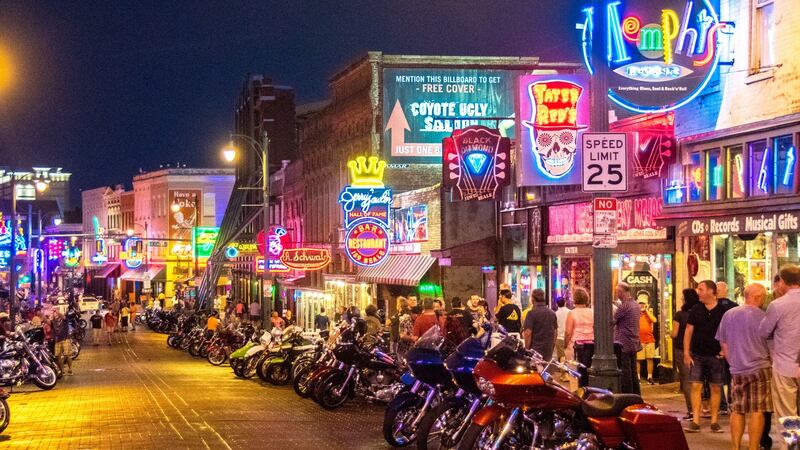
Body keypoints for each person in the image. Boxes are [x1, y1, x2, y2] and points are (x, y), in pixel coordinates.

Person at [716, 283, 772, 450]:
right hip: (760, 367)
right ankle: (753, 446)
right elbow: (771, 344)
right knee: (757, 409)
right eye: (763, 297)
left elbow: (723, 342)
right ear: (758, 297)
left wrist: (732, 360)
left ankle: (735, 446)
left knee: (738, 409)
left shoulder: (729, 315)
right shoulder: (764, 317)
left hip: (737, 368)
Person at [683, 280, 726, 433]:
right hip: (697, 355)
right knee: (695, 385)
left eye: (701, 289)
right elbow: (688, 331)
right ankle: (696, 420)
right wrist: (686, 353)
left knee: (716, 387)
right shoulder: (696, 309)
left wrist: (724, 350)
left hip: (716, 355)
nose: (698, 292)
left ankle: (714, 421)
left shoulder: (722, 310)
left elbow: (728, 331)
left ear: (711, 291)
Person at [759, 265, 800, 422]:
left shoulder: (778, 305)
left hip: (785, 365)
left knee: (788, 414)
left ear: (782, 282)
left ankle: (792, 446)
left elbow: (763, 331)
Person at [672, 288, 701, 421]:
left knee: (686, 379)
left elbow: (675, 333)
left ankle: (691, 410)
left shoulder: (679, 314)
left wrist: (670, 334)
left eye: (682, 297)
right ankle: (700, 409)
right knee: (697, 379)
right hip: (697, 348)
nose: (681, 299)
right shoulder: (698, 312)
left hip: (681, 349)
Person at [613, 282, 641, 395]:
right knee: (633, 371)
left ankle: (628, 395)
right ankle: (636, 394)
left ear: (621, 292)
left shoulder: (624, 306)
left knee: (625, 372)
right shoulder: (635, 304)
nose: (616, 294)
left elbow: (612, 321)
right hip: (634, 342)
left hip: (623, 342)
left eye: (617, 292)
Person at [565, 287, 593, 387]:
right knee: (587, 370)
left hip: (575, 345)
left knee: (574, 372)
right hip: (590, 345)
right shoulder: (592, 312)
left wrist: (565, 344)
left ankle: (576, 392)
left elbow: (568, 332)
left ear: (574, 299)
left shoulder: (572, 313)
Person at [522, 288, 557, 361]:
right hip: (548, 350)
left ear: (533, 299)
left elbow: (528, 333)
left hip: (535, 351)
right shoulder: (552, 313)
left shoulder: (531, 313)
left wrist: (526, 350)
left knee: (535, 371)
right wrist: (552, 347)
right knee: (545, 371)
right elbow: (555, 332)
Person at [637, 297, 658, 385]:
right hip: (639, 340)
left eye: (643, 303)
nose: (641, 305)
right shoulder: (636, 314)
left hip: (649, 340)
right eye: (640, 303)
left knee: (650, 358)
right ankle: (638, 377)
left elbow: (654, 320)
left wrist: (646, 310)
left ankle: (650, 377)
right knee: (638, 360)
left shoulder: (648, 314)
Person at [554, 297, 570, 373]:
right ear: (565, 303)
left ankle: (563, 374)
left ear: (557, 304)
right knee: (568, 356)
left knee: (561, 357)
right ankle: (567, 373)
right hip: (569, 337)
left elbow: (555, 328)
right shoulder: (570, 312)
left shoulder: (556, 314)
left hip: (559, 337)